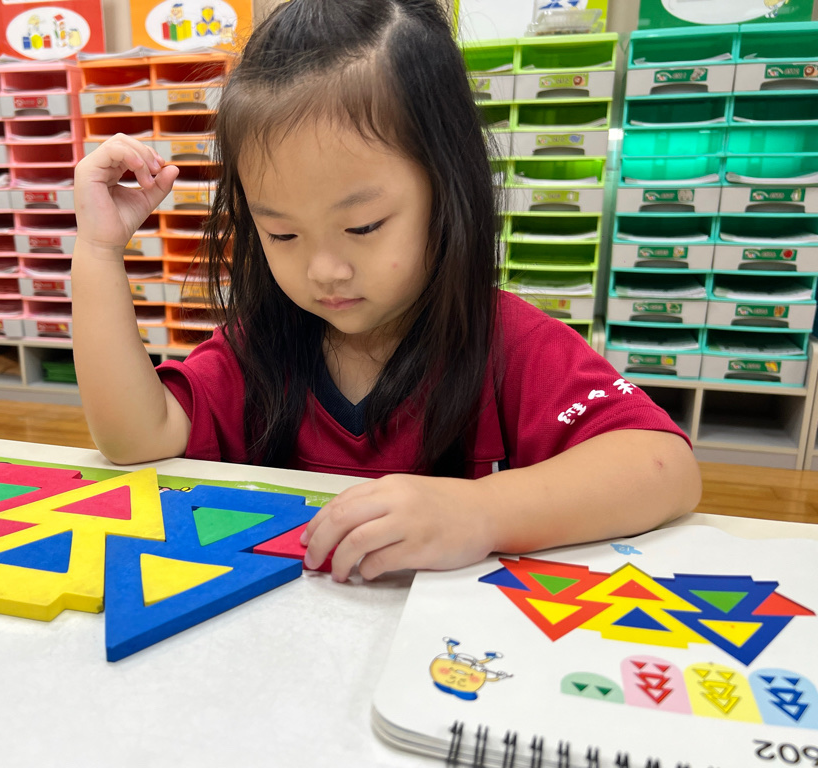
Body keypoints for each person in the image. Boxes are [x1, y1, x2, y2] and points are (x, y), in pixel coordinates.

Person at [72, 0, 702, 584]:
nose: (325, 270)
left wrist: (483, 511)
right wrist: (99, 251)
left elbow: (663, 468)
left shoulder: (510, 346)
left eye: (364, 227)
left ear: (446, 186)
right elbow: (136, 437)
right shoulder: (260, 348)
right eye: (282, 233)